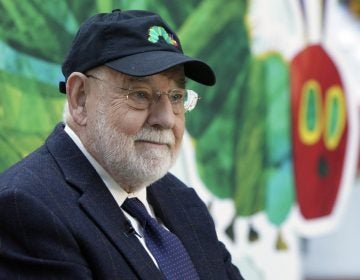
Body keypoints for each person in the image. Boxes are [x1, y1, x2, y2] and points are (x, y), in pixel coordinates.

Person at [0, 9, 244, 279]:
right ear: (80, 98)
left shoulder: (184, 201)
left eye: (176, 96)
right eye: (140, 94)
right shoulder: (25, 207)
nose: (165, 119)